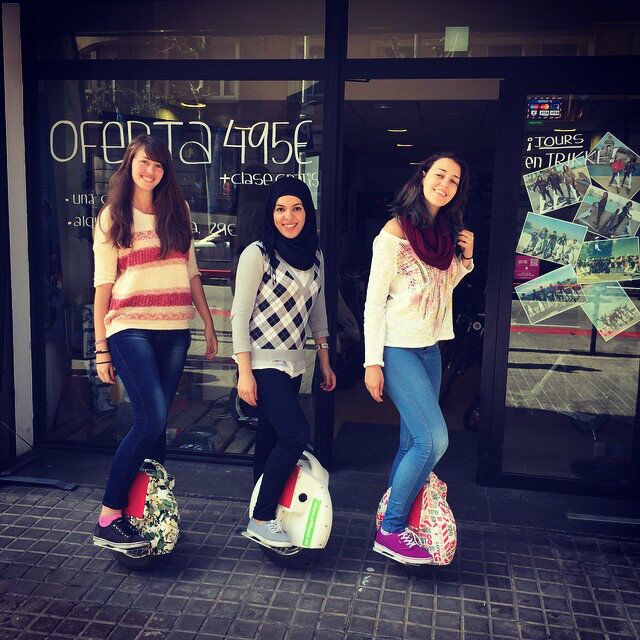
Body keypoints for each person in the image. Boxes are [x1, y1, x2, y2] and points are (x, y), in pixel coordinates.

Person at [91, 135, 218, 551]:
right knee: (150, 419)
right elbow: (103, 286)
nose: (151, 171)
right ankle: (109, 515)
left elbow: (191, 271)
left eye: (159, 165)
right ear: (130, 163)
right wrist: (101, 349)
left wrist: (208, 322)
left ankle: (147, 509)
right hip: (130, 327)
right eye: (145, 162)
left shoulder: (177, 210)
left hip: (175, 329)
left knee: (157, 427)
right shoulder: (112, 217)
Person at [363, 152, 473, 564]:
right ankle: (391, 530)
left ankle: (391, 518)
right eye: (439, 175)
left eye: (454, 181)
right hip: (398, 349)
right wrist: (372, 362)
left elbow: (442, 286)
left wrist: (466, 259)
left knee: (411, 441)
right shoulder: (393, 234)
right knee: (434, 440)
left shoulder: (445, 233)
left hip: (431, 349)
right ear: (423, 176)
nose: (445, 185)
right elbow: (374, 304)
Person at [231, 176, 336, 547]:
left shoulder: (315, 256)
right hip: (262, 364)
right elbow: (239, 315)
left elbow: (318, 312)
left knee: (269, 438)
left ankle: (262, 510)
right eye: (280, 209)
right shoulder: (257, 254)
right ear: (270, 213)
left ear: (308, 213)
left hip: (295, 364)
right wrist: (244, 373)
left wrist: (324, 360)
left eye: (296, 208)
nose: (288, 217)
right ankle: (261, 518)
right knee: (295, 435)